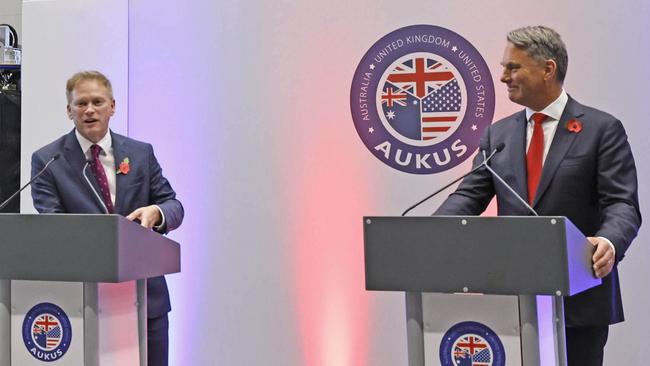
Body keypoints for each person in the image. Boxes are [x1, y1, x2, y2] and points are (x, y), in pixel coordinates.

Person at [435, 26, 641, 365]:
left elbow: (621, 203)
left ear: (548, 69)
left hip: (579, 299)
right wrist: (431, 232)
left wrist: (609, 241)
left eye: (513, 67)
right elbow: (468, 196)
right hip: (511, 298)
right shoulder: (497, 135)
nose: (503, 77)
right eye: (504, 67)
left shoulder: (601, 130)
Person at [31, 70, 183, 366]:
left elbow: (173, 204)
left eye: (98, 102)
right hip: (83, 302)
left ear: (112, 106)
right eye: (81, 103)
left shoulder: (140, 153)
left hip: (146, 298)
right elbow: (53, 225)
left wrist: (158, 212)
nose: (89, 110)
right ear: (69, 110)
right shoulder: (48, 160)